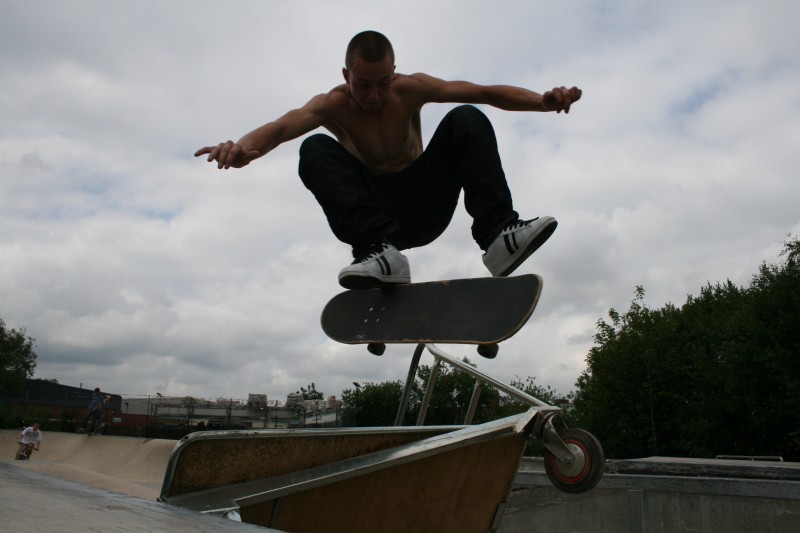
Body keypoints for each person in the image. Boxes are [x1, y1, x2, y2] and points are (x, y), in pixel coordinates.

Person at [196, 30, 582, 289]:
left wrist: (540, 102)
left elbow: (483, 91)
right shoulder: (332, 105)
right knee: (313, 148)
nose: (375, 94)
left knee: (466, 116)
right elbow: (282, 127)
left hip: (427, 202)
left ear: (393, 72)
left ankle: (499, 236)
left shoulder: (410, 89)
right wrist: (245, 148)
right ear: (346, 75)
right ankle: (377, 254)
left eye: (383, 82)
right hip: (381, 217)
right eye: (363, 84)